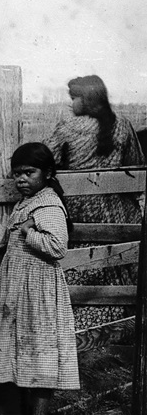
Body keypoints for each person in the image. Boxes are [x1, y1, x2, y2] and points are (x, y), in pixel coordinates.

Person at [0, 142, 80, 415]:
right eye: (17, 173)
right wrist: (3, 245)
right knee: (25, 349)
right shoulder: (28, 202)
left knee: (40, 351)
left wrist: (28, 232)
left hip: (38, 289)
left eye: (29, 172)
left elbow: (57, 247)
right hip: (21, 287)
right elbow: (20, 234)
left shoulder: (48, 204)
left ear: (47, 173)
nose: (21, 179)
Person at [44, 74, 144, 346]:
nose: (71, 103)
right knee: (117, 266)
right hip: (119, 212)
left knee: (80, 266)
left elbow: (44, 163)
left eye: (74, 98)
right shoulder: (122, 124)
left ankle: (77, 334)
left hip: (82, 212)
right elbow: (137, 167)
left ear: (88, 99)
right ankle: (118, 329)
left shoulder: (67, 127)